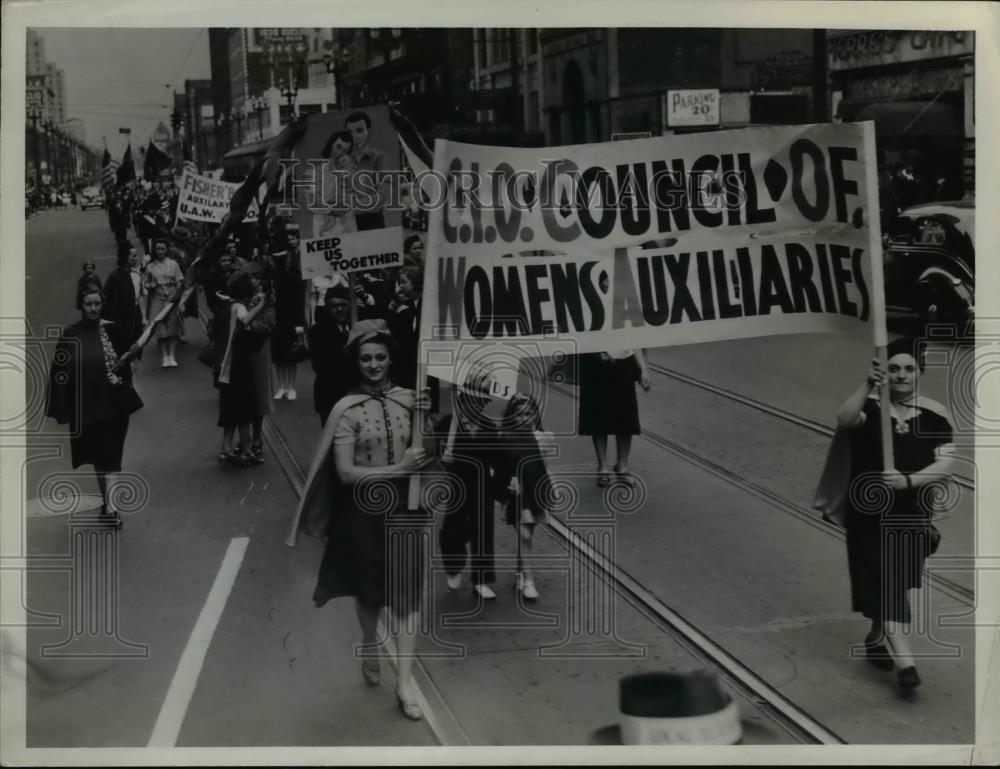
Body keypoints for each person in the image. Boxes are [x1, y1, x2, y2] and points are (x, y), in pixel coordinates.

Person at [295, 319, 431, 720]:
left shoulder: (411, 399)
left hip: (407, 511)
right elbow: (345, 474)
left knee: (408, 598)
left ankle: (405, 682)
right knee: (369, 593)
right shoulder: (346, 409)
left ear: (391, 360)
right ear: (357, 362)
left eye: (381, 358)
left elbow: (428, 456)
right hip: (363, 513)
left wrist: (429, 424)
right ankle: (370, 642)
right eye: (366, 358)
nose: (374, 364)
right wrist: (399, 469)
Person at [835, 338, 956, 690]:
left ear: (919, 374)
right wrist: (868, 384)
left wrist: (908, 481)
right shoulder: (870, 407)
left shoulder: (934, 413)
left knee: (894, 581)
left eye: (908, 369)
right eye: (893, 368)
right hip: (869, 513)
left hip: (913, 515)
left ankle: (875, 639)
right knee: (887, 583)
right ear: (883, 372)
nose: (901, 375)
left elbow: (946, 463)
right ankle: (906, 663)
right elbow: (844, 421)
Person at [46, 285, 144, 528]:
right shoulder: (71, 334)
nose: (93, 308)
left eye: (97, 304)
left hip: (113, 404)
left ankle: (112, 509)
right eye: (88, 304)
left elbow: (130, 362)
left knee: (112, 453)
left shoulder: (112, 330)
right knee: (98, 455)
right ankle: (107, 502)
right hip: (87, 408)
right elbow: (60, 373)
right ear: (81, 305)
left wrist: (122, 379)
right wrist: (62, 405)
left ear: (102, 304)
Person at [434, 377, 498, 600]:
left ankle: (481, 579)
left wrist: (504, 486)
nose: (476, 406)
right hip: (457, 487)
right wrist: (443, 457)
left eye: (481, 403)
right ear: (462, 399)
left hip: (482, 487)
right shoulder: (447, 424)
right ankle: (453, 568)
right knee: (453, 531)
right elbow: (431, 452)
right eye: (472, 400)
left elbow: (498, 461)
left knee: (484, 532)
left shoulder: (490, 427)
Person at [494, 393, 553, 602]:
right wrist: (507, 483)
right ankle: (529, 580)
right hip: (516, 495)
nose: (525, 418)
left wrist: (548, 489)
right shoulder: (505, 437)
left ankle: (520, 570)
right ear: (512, 416)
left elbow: (543, 467)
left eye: (529, 414)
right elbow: (499, 467)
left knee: (528, 535)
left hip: (534, 491)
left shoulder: (541, 437)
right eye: (520, 415)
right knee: (525, 536)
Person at [212, 271, 270, 467]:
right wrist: (261, 305)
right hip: (236, 363)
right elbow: (245, 321)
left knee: (228, 409)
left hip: (222, 365)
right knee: (243, 410)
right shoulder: (238, 307)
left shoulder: (224, 306)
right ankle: (246, 451)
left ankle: (226, 448)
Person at [577, 347, 651, 486]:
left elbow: (636, 339)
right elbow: (582, 336)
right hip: (596, 363)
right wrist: (595, 352)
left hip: (624, 362)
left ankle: (622, 465)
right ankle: (602, 467)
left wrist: (643, 369)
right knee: (598, 415)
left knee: (626, 416)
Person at [242, 261, 276, 461]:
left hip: (258, 352)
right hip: (241, 352)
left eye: (257, 278)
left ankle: (256, 438)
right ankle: (244, 439)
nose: (253, 282)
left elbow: (268, 325)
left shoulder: (267, 299)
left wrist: (248, 325)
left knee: (258, 396)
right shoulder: (241, 298)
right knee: (242, 396)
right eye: (250, 278)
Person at [308, 285, 354, 426]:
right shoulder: (317, 332)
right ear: (327, 308)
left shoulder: (358, 325)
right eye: (334, 306)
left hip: (357, 394)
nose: (339, 309)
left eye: (344, 305)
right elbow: (320, 366)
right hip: (331, 395)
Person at [269, 248, 307, 401]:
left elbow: (298, 302)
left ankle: (291, 386)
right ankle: (281, 386)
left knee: (291, 356)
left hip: (290, 321)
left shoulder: (293, 277)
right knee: (278, 356)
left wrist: (299, 323)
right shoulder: (272, 278)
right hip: (276, 321)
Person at [143, 238, 185, 368]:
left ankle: (172, 355)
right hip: (157, 297)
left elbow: (180, 283)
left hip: (172, 298)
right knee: (160, 327)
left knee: (173, 327)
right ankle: (164, 356)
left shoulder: (173, 264)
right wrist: (150, 284)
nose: (160, 251)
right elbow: (146, 285)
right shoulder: (150, 267)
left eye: (162, 249)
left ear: (167, 250)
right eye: (157, 249)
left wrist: (180, 300)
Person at [345, 111, 385, 231]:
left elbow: (383, 196)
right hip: (346, 222)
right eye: (350, 132)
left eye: (359, 131)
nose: (354, 136)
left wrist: (356, 205)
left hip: (372, 220)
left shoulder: (378, 157)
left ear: (369, 131)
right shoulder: (341, 158)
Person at [101, 240, 144, 349]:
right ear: (126, 257)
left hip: (134, 319)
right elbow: (110, 303)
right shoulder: (115, 277)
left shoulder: (134, 274)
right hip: (121, 322)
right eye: (133, 256)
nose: (136, 258)